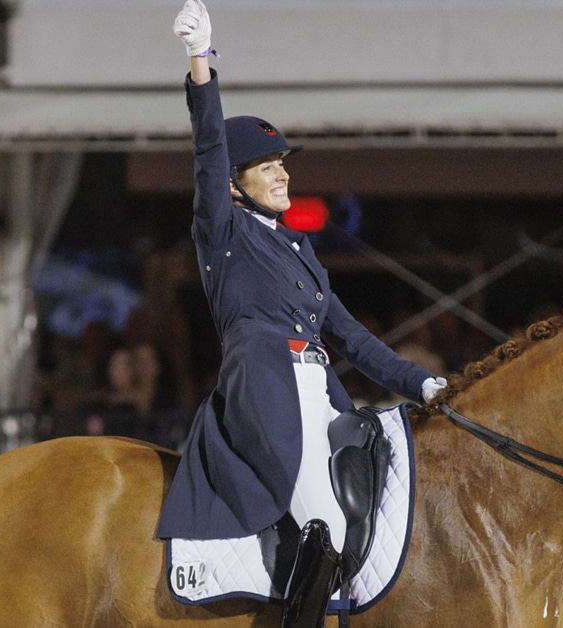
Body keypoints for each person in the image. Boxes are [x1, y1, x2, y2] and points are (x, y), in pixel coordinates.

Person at [156, 3, 447, 625]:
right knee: (328, 523)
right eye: (268, 168)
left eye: (283, 164)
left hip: (319, 391)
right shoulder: (223, 230)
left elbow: (350, 335)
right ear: (235, 185)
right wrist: (200, 65)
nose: (283, 175)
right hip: (264, 386)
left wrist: (419, 381)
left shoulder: (296, 249)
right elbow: (208, 149)